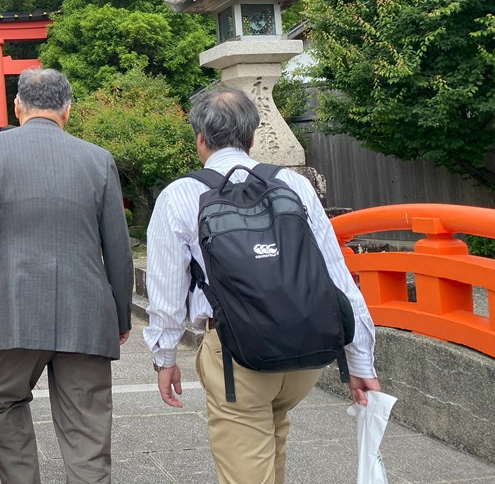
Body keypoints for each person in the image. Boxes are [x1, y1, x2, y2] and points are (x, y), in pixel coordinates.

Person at [144, 86, 380, 484]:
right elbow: (336, 276)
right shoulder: (293, 184)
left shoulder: (181, 195)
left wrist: (165, 357)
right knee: (272, 441)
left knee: (246, 470)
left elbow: (166, 293)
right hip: (305, 352)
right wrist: (360, 360)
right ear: (252, 137)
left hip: (238, 357)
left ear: (200, 138)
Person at [0, 67, 134, 484]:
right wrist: (121, 316)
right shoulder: (98, 159)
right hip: (87, 311)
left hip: (16, 309)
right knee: (87, 420)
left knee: (1, 402)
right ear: (68, 109)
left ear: (17, 106)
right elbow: (119, 250)